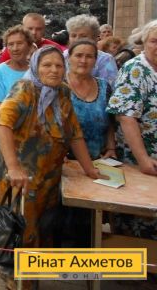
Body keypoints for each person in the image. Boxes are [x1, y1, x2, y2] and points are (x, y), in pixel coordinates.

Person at [0, 46, 104, 288]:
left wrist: (89, 169)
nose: (53, 70)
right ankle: (17, 279)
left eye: (58, 65)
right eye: (47, 65)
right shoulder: (25, 88)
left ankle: (28, 276)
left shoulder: (63, 91)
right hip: (21, 179)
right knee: (20, 230)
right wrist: (13, 167)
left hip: (48, 179)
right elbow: (2, 122)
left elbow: (74, 133)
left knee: (43, 228)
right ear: (36, 67)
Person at [61, 39, 116, 247]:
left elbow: (110, 121)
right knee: (64, 221)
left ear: (95, 60)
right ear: (69, 58)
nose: (83, 60)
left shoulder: (104, 86)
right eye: (78, 55)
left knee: (89, 221)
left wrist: (111, 146)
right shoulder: (59, 85)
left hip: (96, 160)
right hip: (65, 163)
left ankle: (87, 259)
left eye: (89, 56)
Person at [106, 19, 157, 240]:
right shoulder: (135, 69)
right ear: (144, 42)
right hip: (140, 158)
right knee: (139, 218)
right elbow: (126, 116)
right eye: (154, 41)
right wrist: (143, 159)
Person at [64, 14, 118, 87]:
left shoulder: (106, 60)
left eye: (83, 36)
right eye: (73, 36)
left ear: (94, 38)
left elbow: (109, 87)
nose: (77, 39)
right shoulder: (63, 56)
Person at [0, 25, 33, 111]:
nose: (15, 48)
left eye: (19, 43)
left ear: (29, 46)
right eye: (11, 44)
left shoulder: (37, 71)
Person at [0, 13, 65, 64]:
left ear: (44, 29)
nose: (34, 32)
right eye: (30, 28)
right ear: (23, 28)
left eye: (38, 29)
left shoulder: (54, 48)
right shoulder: (13, 49)